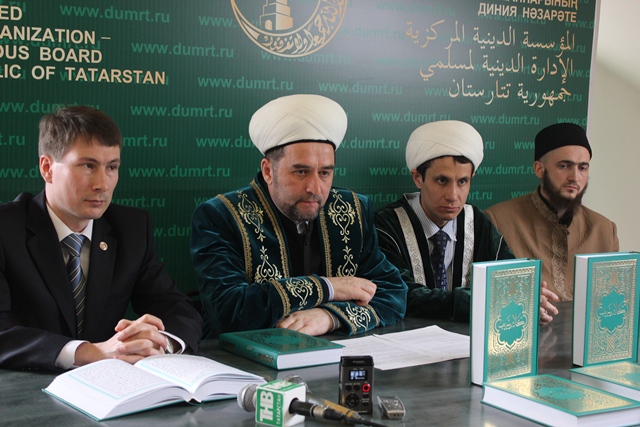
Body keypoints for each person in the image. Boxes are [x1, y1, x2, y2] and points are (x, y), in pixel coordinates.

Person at [0, 106, 202, 371]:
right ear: (47, 168)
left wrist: (162, 342)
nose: (102, 184)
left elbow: (176, 307)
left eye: (112, 167)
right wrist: (88, 352)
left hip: (110, 384)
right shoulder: (6, 229)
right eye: (88, 166)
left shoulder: (131, 228)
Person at [190, 94, 407, 338]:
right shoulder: (222, 215)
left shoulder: (352, 209)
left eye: (325, 173)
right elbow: (227, 311)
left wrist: (330, 317)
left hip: (338, 352)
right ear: (268, 171)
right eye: (301, 172)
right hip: (243, 358)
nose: (315, 188)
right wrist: (327, 287)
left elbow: (393, 291)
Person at [374, 120, 514, 322]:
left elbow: (508, 278)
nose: (453, 196)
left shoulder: (477, 222)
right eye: (442, 181)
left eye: (462, 181)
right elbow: (398, 292)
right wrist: (478, 302)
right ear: (417, 178)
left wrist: (525, 297)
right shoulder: (386, 225)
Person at [485, 123, 619, 323]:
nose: (575, 177)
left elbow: (615, 301)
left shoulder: (604, 229)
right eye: (564, 166)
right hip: (525, 334)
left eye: (582, 168)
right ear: (539, 169)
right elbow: (483, 295)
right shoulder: (498, 220)